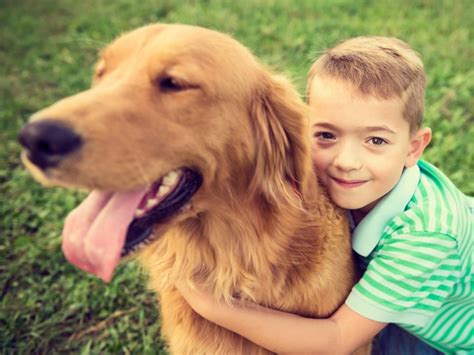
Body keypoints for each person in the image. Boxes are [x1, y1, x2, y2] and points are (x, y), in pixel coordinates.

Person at [176, 36, 473, 354]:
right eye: (326, 135)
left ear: (413, 148)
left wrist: (213, 307)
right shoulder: (364, 181)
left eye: (375, 141)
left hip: (444, 336)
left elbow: (336, 340)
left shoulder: (424, 238)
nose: (346, 162)